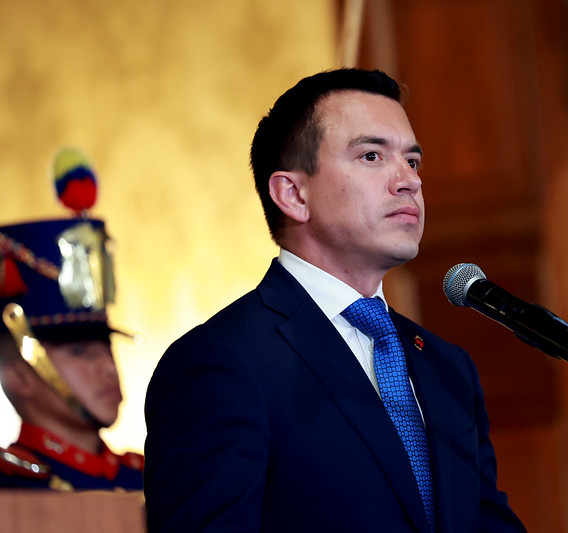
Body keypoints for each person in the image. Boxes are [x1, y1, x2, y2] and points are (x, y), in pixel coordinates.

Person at [143, 68, 526, 532]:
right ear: (293, 194)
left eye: (413, 161)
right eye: (371, 155)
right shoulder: (219, 363)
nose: (409, 181)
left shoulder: (448, 368)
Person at [0, 152, 143, 490]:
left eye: (106, 348)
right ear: (18, 375)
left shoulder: (153, 479)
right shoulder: (11, 489)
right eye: (79, 352)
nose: (108, 368)